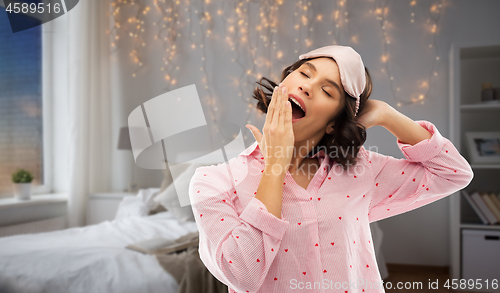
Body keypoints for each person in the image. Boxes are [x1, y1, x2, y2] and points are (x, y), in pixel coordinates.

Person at [188, 45, 474, 293]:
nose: (307, 86)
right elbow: (242, 274)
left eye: (327, 90)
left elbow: (453, 172)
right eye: (304, 73)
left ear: (333, 124)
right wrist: (275, 163)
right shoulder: (213, 182)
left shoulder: (360, 170)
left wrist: (388, 115)